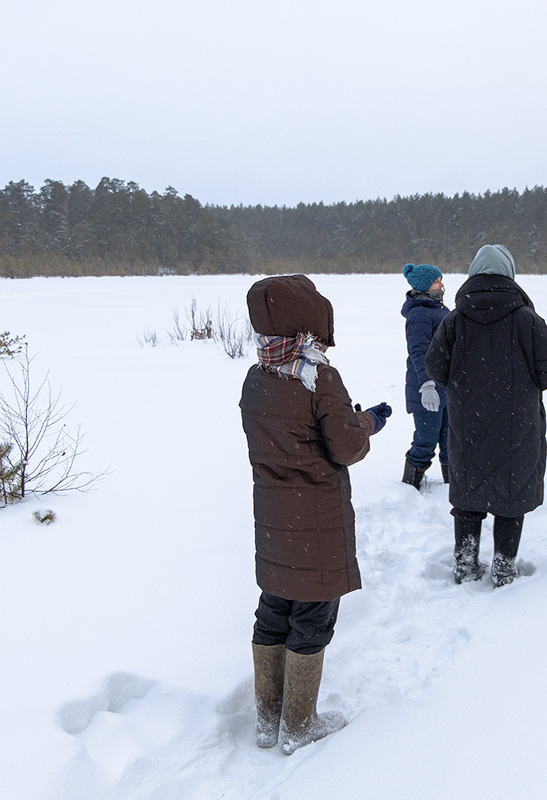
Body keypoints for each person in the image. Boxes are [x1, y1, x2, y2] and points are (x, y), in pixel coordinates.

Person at [239, 274, 391, 755]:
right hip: (317, 519)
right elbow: (345, 447)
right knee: (313, 614)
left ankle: (269, 720)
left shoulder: (258, 375)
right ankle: (299, 725)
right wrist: (369, 421)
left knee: (275, 608)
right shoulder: (317, 376)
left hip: (275, 517)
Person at [425, 244, 547, 588]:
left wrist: (465, 386)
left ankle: (466, 565)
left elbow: (435, 367)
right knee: (510, 496)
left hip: (466, 424)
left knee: (469, 495)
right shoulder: (526, 319)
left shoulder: (455, 319)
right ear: (509, 274)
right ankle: (503, 567)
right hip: (515, 427)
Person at [400, 263, 449, 490]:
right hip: (425, 389)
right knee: (426, 439)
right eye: (437, 280)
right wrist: (427, 385)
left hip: (448, 388)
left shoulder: (443, 311)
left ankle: (455, 486)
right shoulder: (419, 314)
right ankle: (409, 488)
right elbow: (418, 352)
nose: (442, 284)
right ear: (425, 285)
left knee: (452, 441)